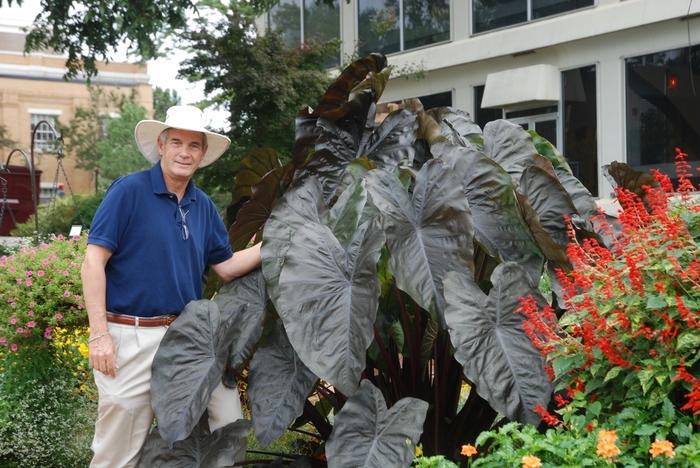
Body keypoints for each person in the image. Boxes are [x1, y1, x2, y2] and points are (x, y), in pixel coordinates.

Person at [81, 105, 262, 467]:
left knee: (228, 424)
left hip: (191, 337)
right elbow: (92, 262)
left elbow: (225, 267)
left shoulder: (202, 204)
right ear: (161, 146)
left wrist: (275, 244)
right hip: (130, 337)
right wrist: (99, 334)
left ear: (201, 154)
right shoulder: (129, 192)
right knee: (118, 452)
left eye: (193, 145)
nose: (184, 152)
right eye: (176, 142)